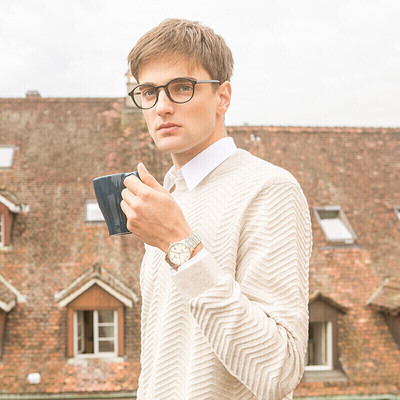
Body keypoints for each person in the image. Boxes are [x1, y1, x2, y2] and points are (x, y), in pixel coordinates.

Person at [120, 18, 313, 400]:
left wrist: (180, 245)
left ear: (222, 97)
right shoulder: (168, 197)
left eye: (181, 87)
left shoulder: (269, 189)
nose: (162, 107)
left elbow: (279, 371)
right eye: (149, 92)